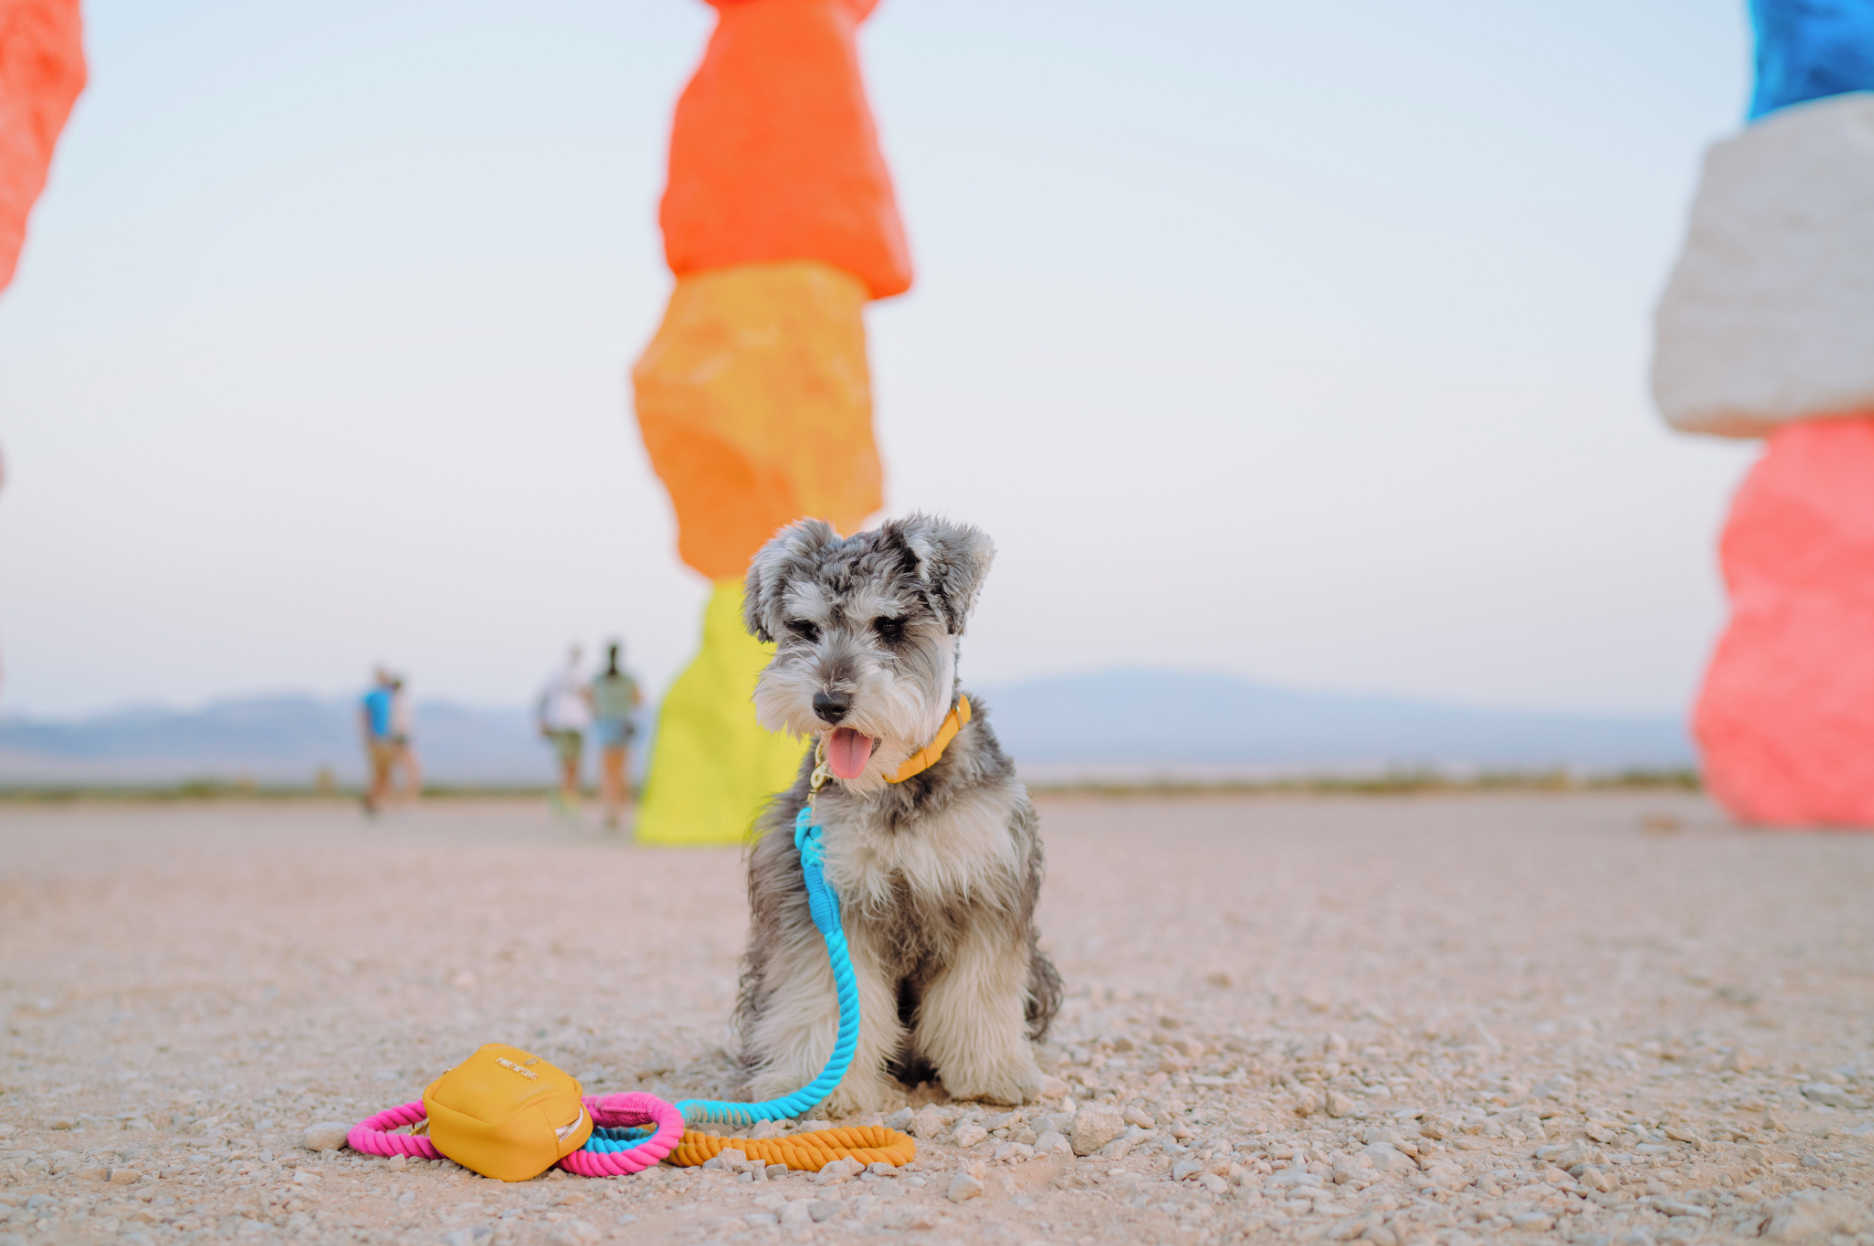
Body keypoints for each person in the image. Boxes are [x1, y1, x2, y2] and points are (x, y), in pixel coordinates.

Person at [589, 641, 643, 832]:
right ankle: (620, 812)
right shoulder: (628, 679)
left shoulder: (599, 679)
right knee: (621, 772)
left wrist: (598, 712)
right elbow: (638, 701)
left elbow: (588, 698)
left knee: (607, 773)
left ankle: (609, 811)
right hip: (623, 725)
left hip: (605, 725)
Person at [536, 646, 592, 816]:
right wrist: (543, 720)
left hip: (579, 724)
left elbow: (591, 698)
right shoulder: (557, 675)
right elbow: (544, 698)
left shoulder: (585, 675)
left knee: (574, 764)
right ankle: (564, 800)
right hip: (561, 723)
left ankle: (569, 799)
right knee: (566, 764)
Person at [360, 668, 419, 812]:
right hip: (382, 740)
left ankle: (375, 801)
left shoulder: (388, 698)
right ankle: (374, 800)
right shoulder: (375, 697)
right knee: (383, 772)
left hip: (387, 739)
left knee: (385, 773)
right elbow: (364, 715)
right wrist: (368, 735)